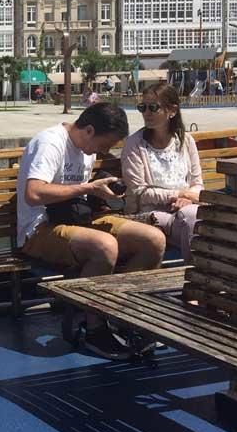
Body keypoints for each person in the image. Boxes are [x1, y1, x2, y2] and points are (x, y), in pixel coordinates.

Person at [17, 102, 166, 360]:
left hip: (76, 221)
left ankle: (121, 314)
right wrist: (87, 189)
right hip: (39, 229)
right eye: (104, 145)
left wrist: (100, 194)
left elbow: (79, 193)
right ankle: (95, 328)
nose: (104, 151)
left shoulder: (87, 149)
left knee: (153, 239)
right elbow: (34, 193)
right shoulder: (50, 143)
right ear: (88, 130)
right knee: (104, 245)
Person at [121, 83, 202, 261]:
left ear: (172, 111)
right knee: (192, 222)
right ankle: (195, 276)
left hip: (186, 208)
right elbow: (139, 192)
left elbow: (197, 184)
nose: (146, 113)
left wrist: (187, 198)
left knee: (192, 217)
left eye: (153, 107)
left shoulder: (186, 141)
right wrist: (178, 194)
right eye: (142, 107)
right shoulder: (134, 144)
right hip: (147, 214)